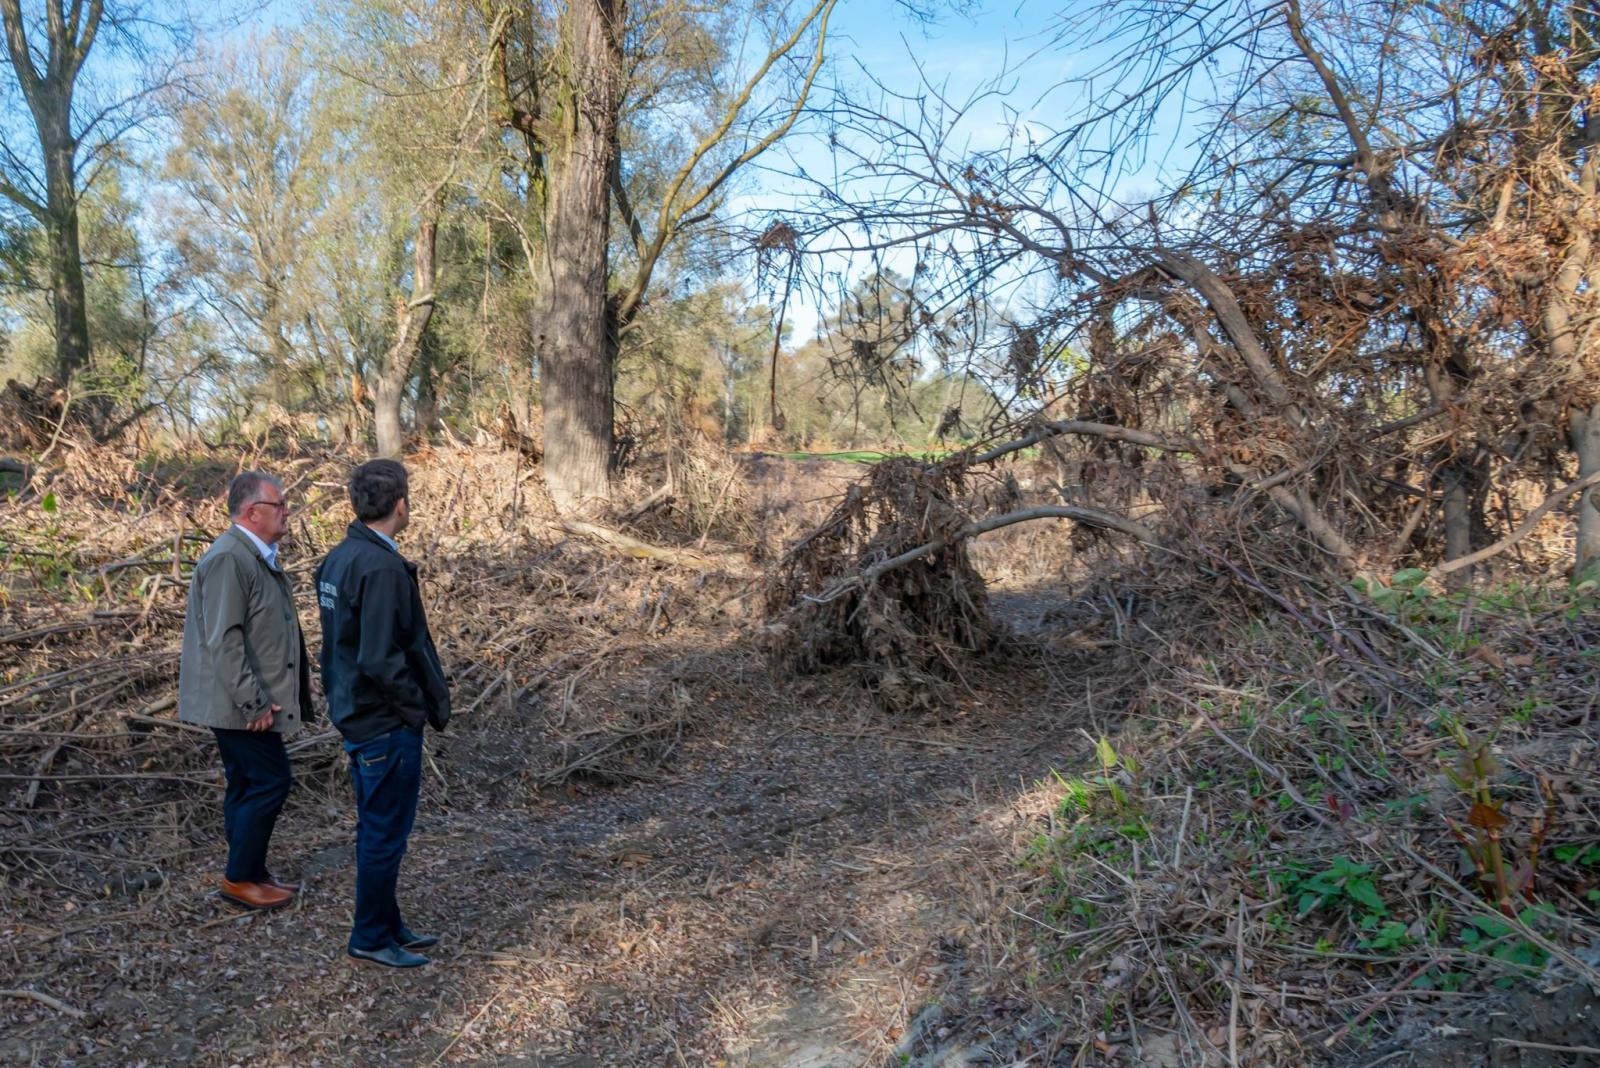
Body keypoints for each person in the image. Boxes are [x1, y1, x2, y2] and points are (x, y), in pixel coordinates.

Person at [315, 459, 451, 968]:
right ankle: (370, 936)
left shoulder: (338, 559)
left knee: (379, 826)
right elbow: (378, 655)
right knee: (383, 831)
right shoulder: (380, 567)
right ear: (400, 505)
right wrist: (413, 709)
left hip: (356, 712)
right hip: (381, 722)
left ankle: (388, 923)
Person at [178, 470, 312, 910]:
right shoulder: (229, 559)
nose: (287, 512)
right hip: (240, 703)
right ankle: (239, 879)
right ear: (253, 512)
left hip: (245, 699)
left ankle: (250, 870)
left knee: (247, 783)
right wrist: (254, 700)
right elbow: (224, 638)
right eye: (280, 505)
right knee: (270, 781)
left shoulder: (253, 556)